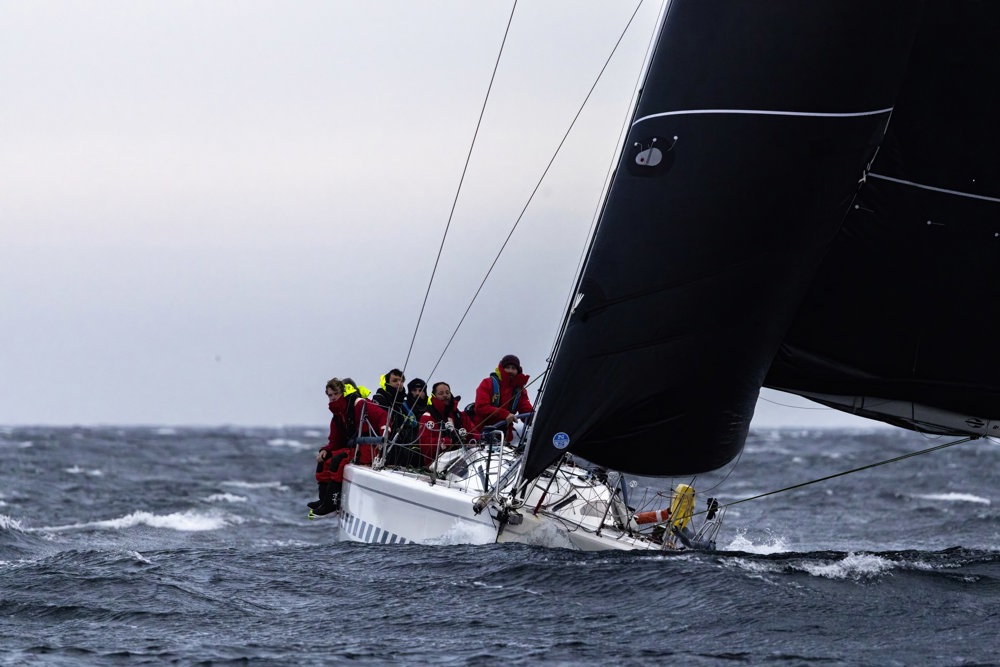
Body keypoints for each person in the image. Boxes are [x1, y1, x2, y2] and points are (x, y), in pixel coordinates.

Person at [308, 377, 389, 516]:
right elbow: (334, 440)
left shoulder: (358, 404)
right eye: (330, 395)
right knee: (324, 460)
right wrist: (325, 450)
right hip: (354, 447)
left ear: (343, 392)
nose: (333, 398)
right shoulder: (337, 414)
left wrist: (384, 437)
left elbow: (383, 416)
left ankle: (331, 504)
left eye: (336, 394)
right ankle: (323, 500)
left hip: (369, 446)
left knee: (338, 461)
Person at [472, 354, 533, 442]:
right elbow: (481, 408)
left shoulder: (520, 391)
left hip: (505, 438)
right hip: (481, 435)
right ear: (502, 368)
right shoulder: (487, 383)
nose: (510, 371)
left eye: (513, 368)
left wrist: (538, 419)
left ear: (518, 371)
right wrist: (505, 414)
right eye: (507, 367)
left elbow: (526, 410)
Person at [417, 382, 479, 464]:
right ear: (434, 396)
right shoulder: (427, 417)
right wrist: (447, 441)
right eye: (441, 393)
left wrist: (473, 442)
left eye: (447, 392)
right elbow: (425, 446)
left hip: (464, 462)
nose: (445, 395)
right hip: (436, 465)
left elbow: (474, 434)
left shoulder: (461, 416)